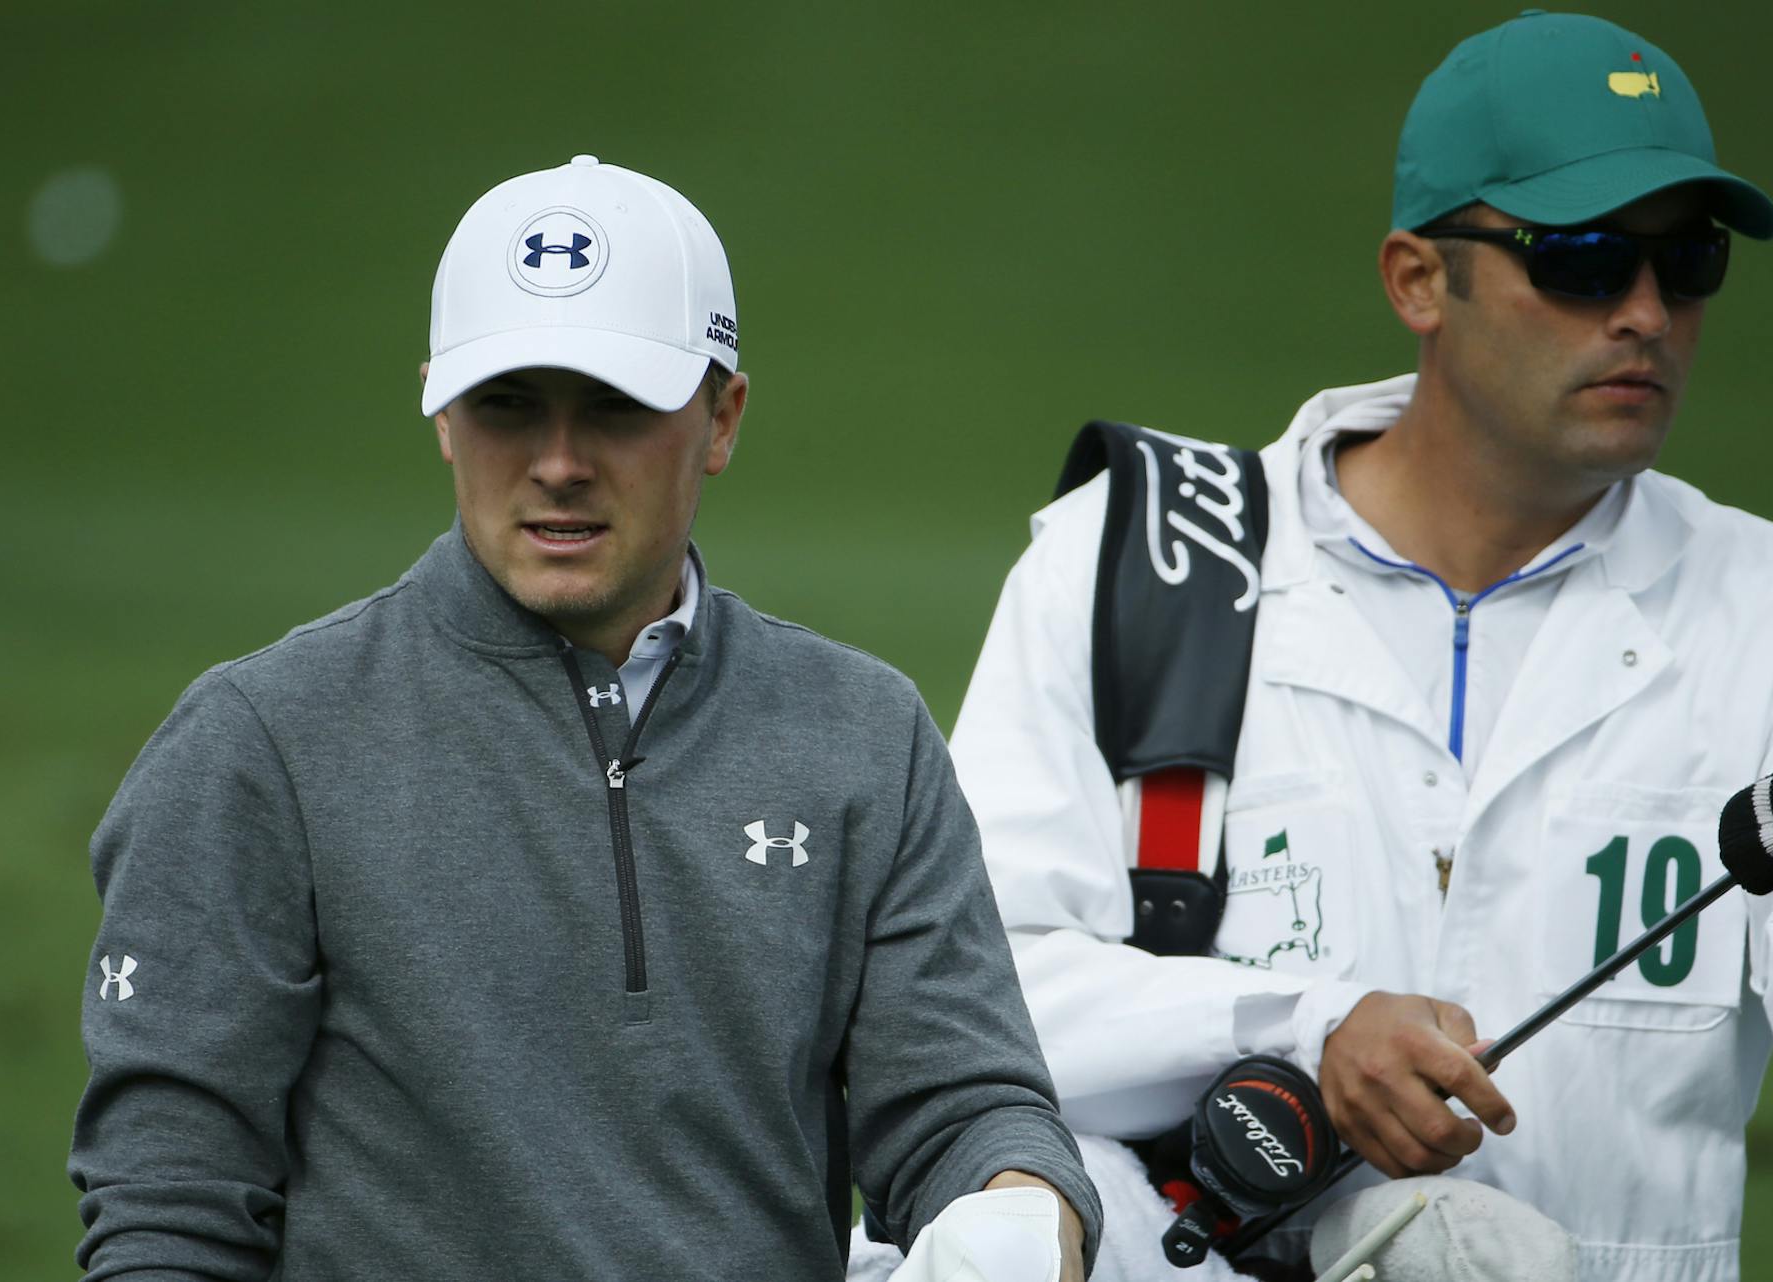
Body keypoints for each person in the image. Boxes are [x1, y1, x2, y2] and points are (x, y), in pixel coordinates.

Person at [930, 12, 1773, 1282]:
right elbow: (973, 1002)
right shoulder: (1133, 559)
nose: (1645, 313)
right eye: (1581, 258)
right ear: (1418, 279)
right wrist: (1305, 1029)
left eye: (1688, 262)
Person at [69, 155, 1099, 1281]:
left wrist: (1021, 1212)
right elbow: (169, 1209)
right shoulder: (258, 744)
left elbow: (960, 1109)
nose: (558, 464)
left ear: (721, 418)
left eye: (616, 406)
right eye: (508, 405)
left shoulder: (862, 734)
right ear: (443, 414)